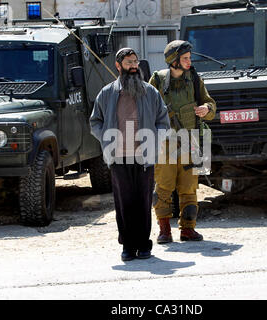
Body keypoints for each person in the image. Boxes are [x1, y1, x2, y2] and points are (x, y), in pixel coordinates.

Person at [90, 48, 170, 261]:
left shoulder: (150, 92)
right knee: (124, 204)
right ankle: (127, 246)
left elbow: (164, 121)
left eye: (135, 61)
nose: (134, 66)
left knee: (143, 202)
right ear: (118, 66)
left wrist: (155, 139)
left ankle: (144, 245)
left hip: (144, 158)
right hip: (118, 158)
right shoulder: (107, 93)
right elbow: (94, 121)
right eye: (128, 62)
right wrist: (106, 138)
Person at [149, 40, 216, 244]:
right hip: (165, 144)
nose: (189, 61)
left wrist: (206, 109)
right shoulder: (158, 80)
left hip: (190, 142)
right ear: (173, 61)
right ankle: (164, 230)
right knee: (163, 188)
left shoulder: (195, 79)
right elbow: (146, 109)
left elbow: (210, 103)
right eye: (185, 58)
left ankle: (188, 229)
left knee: (189, 188)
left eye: (189, 58)